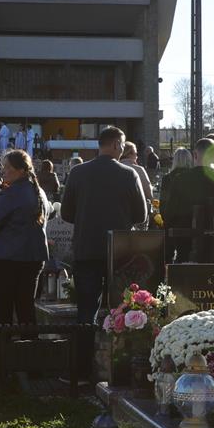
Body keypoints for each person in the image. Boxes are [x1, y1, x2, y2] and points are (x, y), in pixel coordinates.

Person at [57, 126, 149, 324]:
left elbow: (66, 213)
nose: (122, 150)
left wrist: (85, 220)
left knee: (86, 309)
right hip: (120, 252)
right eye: (122, 145)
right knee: (122, 310)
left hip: (86, 248)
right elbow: (141, 216)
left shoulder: (77, 172)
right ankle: (118, 343)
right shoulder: (129, 174)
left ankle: (86, 343)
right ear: (116, 144)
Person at [0, 149, 49, 326]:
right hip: (33, 258)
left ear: (21, 170)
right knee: (26, 309)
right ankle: (28, 342)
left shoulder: (11, 193)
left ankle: (2, 344)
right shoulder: (40, 193)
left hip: (6, 258)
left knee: (3, 312)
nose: (3, 172)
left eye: (7, 167)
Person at [120, 141, 155, 208]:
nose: (137, 156)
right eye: (136, 153)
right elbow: (148, 191)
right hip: (137, 208)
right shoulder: (139, 169)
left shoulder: (114, 168)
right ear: (129, 154)